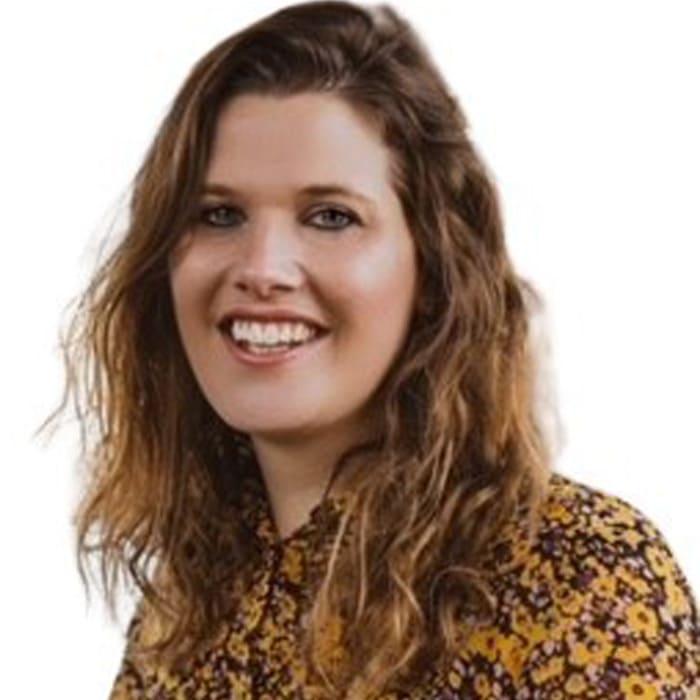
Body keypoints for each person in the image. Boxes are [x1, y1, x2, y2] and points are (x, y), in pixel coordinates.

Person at [55, 1, 699, 697]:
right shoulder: (183, 613)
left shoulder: (580, 575)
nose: (262, 267)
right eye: (219, 215)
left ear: (435, 268)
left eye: (331, 217)